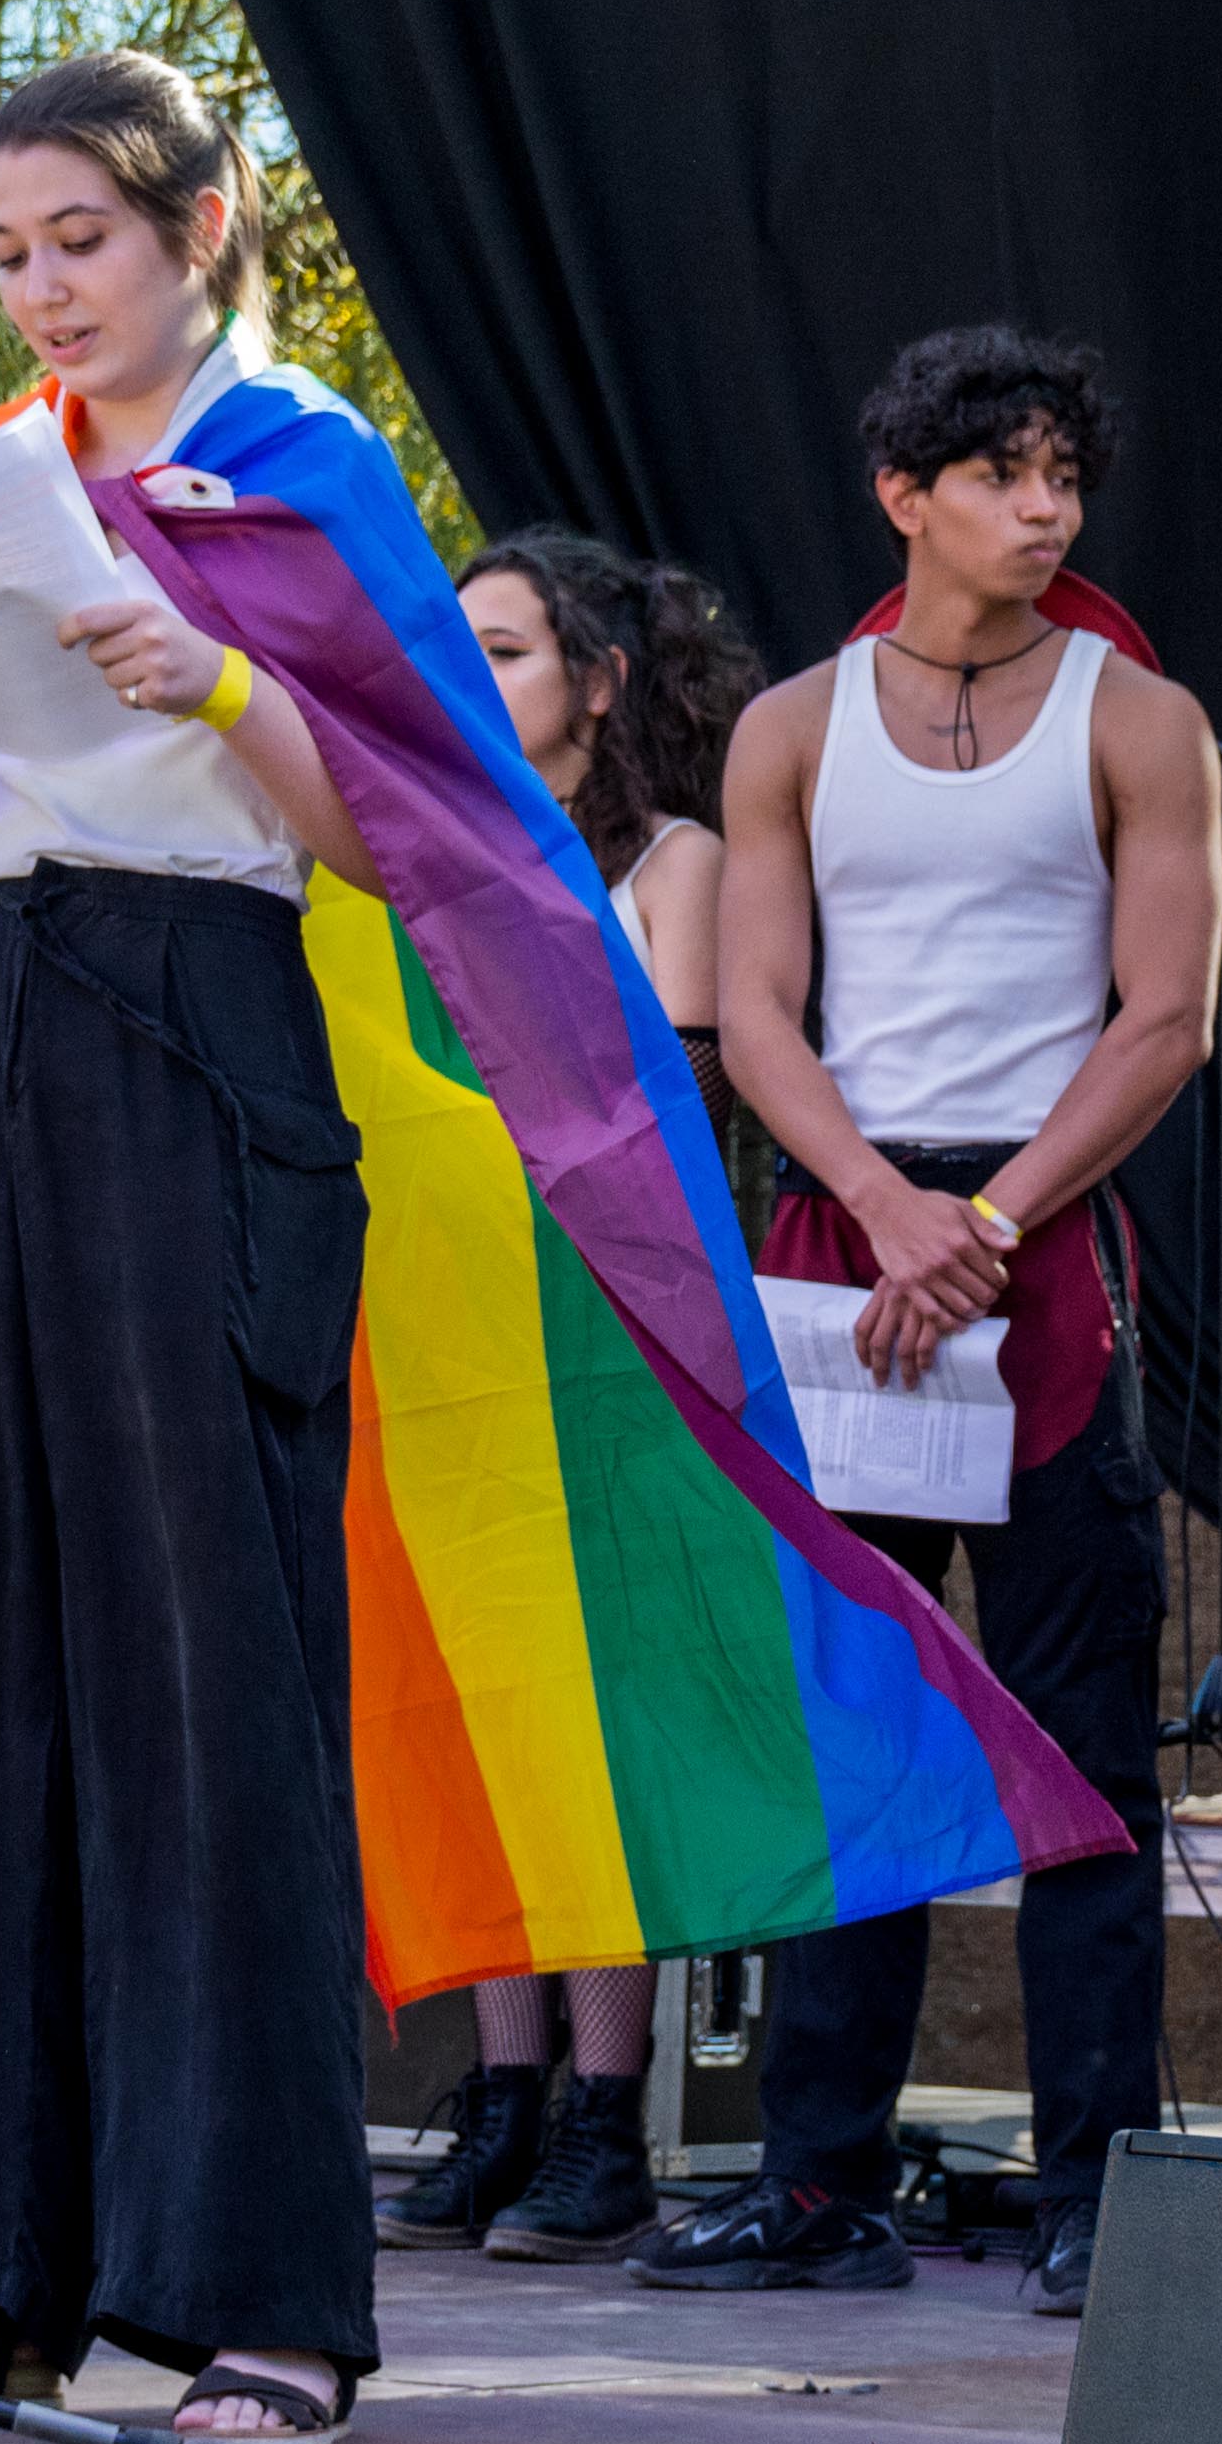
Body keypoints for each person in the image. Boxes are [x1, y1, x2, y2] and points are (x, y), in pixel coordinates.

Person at [0, 49, 400, 2444]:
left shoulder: (302, 465)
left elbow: (398, 830)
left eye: (83, 242)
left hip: (201, 1031)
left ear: (201, 225)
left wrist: (218, 672)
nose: (45, 285)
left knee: (198, 1669)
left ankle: (261, 2295)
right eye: (15, 249)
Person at [665, 325, 1217, 2318]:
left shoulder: (1140, 716)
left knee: (1083, 1740)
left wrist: (981, 1214)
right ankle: (820, 2177)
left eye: (1065, 467)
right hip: (853, 1221)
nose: (1044, 502)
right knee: (850, 1728)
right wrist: (893, 1209)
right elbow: (754, 1010)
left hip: (1039, 1229)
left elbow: (1167, 1019)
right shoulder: (796, 724)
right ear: (905, 492)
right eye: (1000, 470)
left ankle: (1098, 2182)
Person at [380, 527, 760, 2269]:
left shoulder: (673, 858)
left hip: (613, 1329)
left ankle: (613, 2113)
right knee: (499, 1710)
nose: (476, 681)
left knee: (618, 1720)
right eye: (454, 650)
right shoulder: (406, 853)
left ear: (600, 684)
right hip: (460, 1330)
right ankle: (505, 2091)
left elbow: (662, 1085)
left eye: (511, 651)